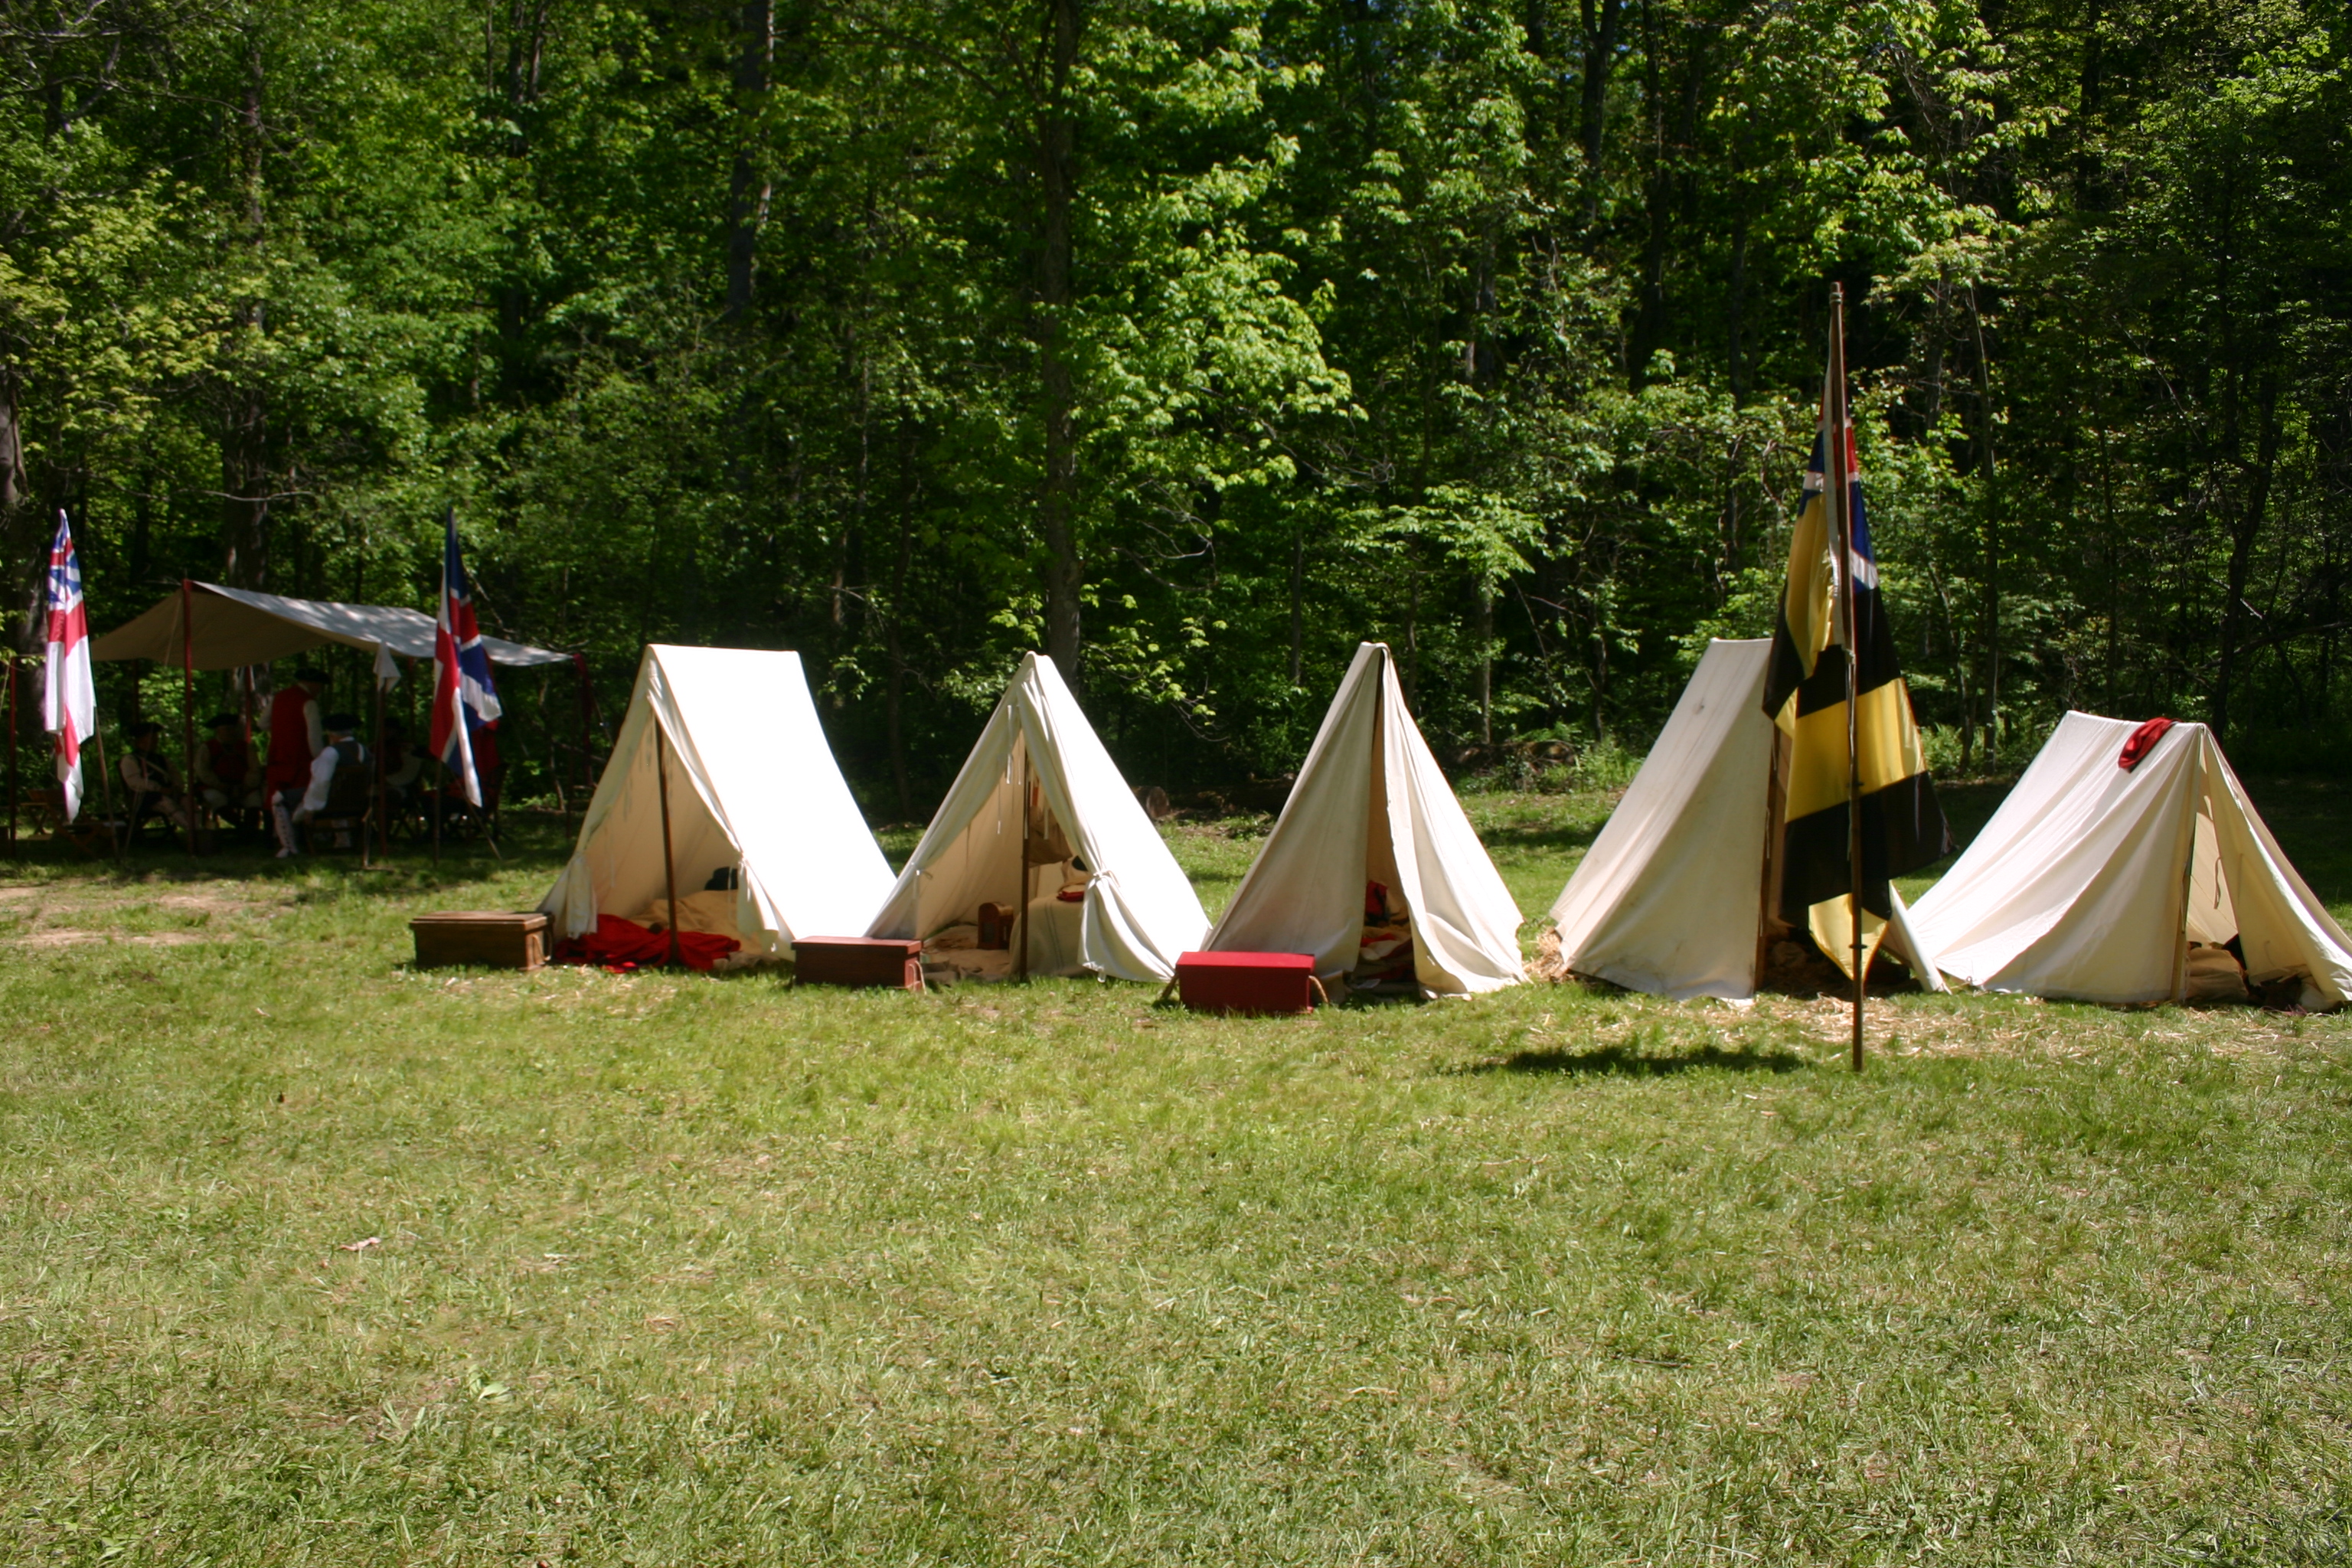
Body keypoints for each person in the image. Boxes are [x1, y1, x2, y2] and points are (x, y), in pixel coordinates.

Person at [275, 710, 369, 858]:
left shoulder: (331, 752)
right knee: (340, 795)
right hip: (356, 804)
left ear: (332, 734)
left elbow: (321, 782)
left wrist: (311, 808)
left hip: (330, 804)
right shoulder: (364, 751)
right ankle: (343, 840)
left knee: (278, 799)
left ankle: (289, 847)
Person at [119, 721, 193, 835]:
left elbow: (175, 775)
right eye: (152, 738)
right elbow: (134, 781)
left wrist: (177, 788)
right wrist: (158, 788)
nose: (156, 741)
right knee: (167, 804)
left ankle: (199, 830)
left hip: (169, 793)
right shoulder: (130, 759)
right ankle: (192, 832)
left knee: (189, 802)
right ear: (141, 740)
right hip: (146, 798)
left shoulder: (161, 759)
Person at [195, 713, 261, 819]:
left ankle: (250, 832)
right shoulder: (207, 747)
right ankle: (240, 826)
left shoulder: (245, 747)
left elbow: (254, 769)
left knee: (255, 800)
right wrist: (218, 784)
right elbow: (202, 771)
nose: (231, 732)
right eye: (227, 729)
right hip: (216, 787)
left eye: (232, 729)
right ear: (218, 731)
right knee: (216, 799)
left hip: (243, 787)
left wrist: (248, 785)